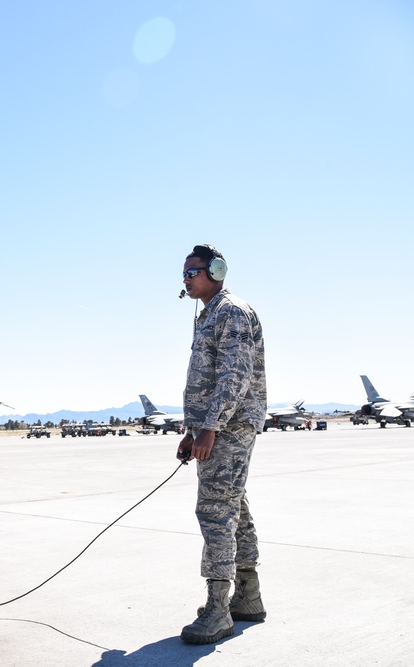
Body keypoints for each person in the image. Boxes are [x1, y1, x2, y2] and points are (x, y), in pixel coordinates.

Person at [176, 244, 267, 645]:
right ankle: (246, 598)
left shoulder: (231, 312)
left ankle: (217, 610)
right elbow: (206, 379)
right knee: (234, 509)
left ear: (216, 270)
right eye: (183, 274)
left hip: (228, 428)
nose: (186, 279)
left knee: (214, 512)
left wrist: (211, 426)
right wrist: (193, 429)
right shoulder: (209, 314)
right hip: (216, 427)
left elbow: (235, 375)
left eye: (192, 272)